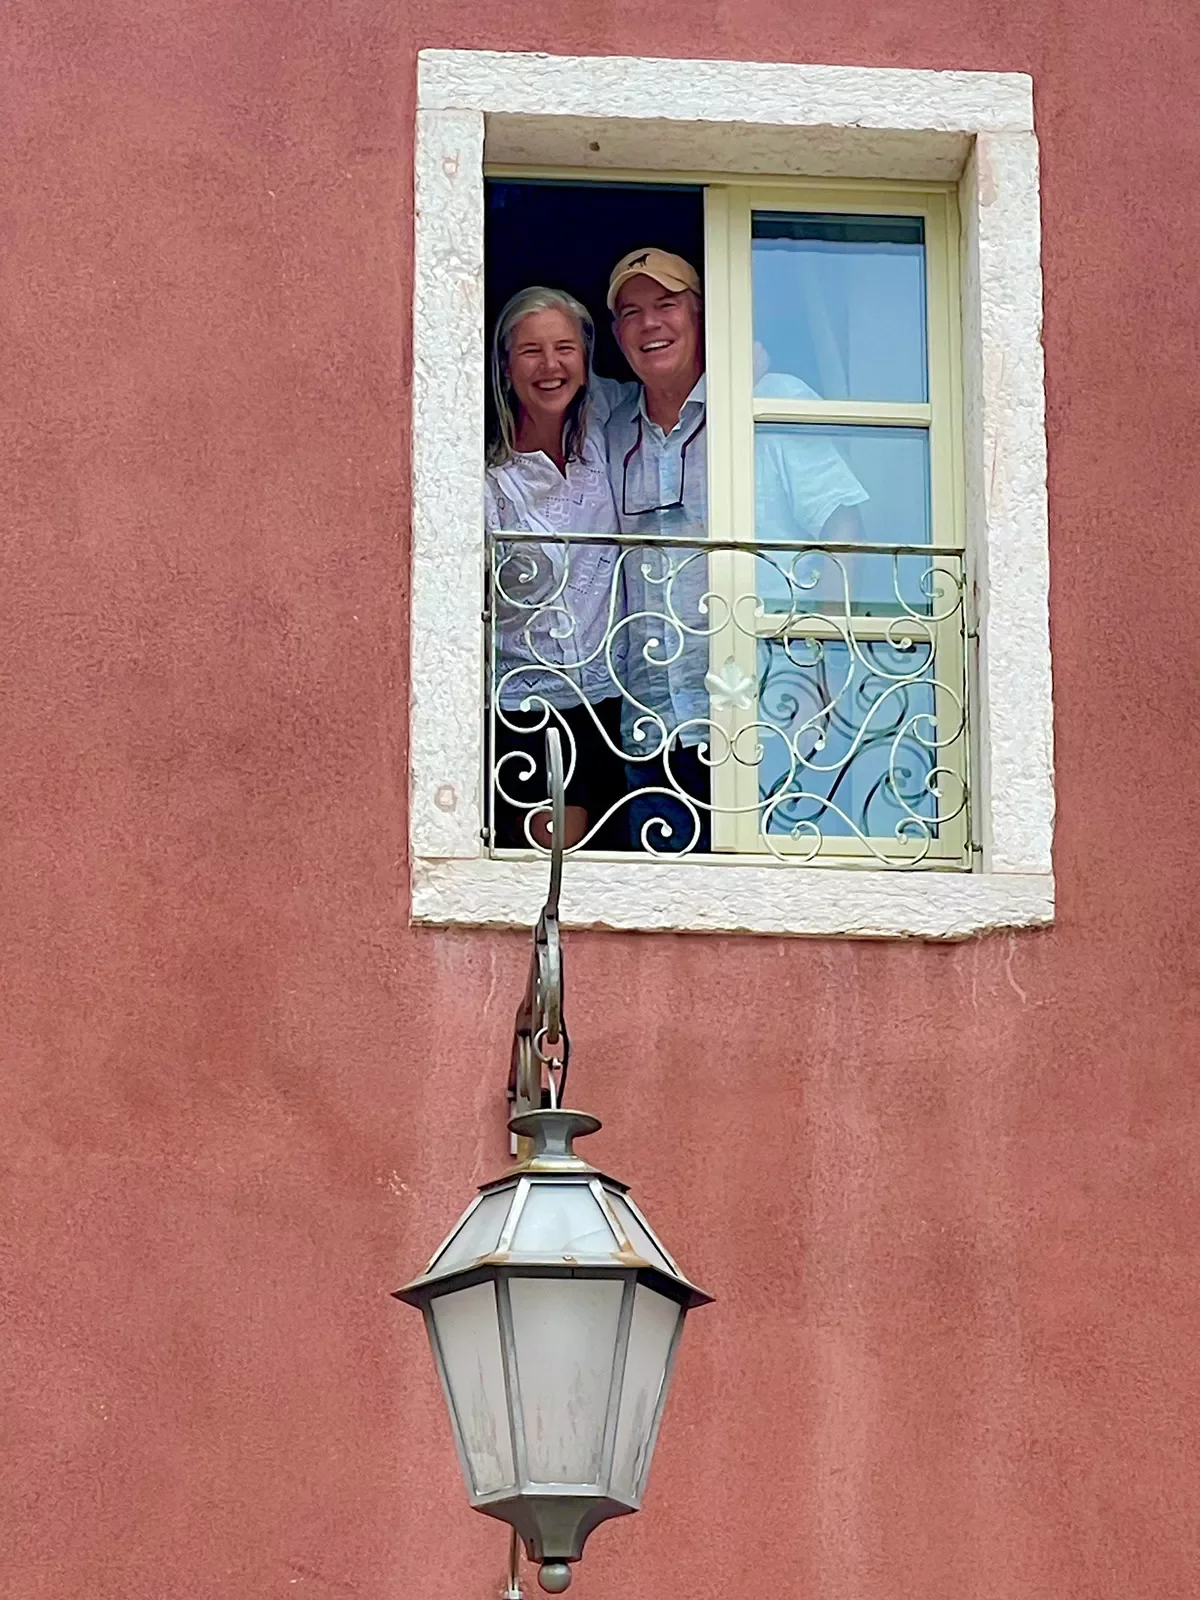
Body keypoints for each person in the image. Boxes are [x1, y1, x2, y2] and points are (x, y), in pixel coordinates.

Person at [604, 247, 869, 853]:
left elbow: (842, 525)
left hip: (768, 709)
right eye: (631, 312)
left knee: (791, 895)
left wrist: (827, 658)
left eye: (667, 305)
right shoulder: (613, 424)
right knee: (668, 918)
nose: (650, 324)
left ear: (702, 314)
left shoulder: (768, 399)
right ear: (616, 335)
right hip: (653, 726)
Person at [485, 286, 633, 851]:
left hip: (613, 702)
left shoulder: (608, 424)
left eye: (564, 348)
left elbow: (683, 383)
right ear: (504, 365)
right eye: (530, 352)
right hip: (527, 708)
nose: (551, 366)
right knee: (552, 874)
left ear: (586, 357)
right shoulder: (491, 479)